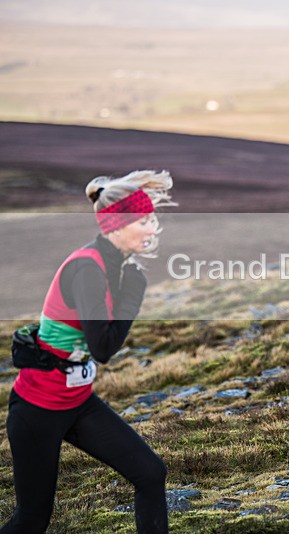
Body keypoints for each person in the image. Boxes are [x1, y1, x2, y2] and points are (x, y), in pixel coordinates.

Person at [1, 170, 176, 534]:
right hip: (37, 408)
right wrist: (133, 295)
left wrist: (131, 286)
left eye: (152, 219)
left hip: (76, 402)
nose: (152, 229)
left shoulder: (119, 269)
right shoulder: (88, 268)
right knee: (31, 520)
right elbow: (103, 347)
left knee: (150, 473)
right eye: (142, 221)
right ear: (117, 224)